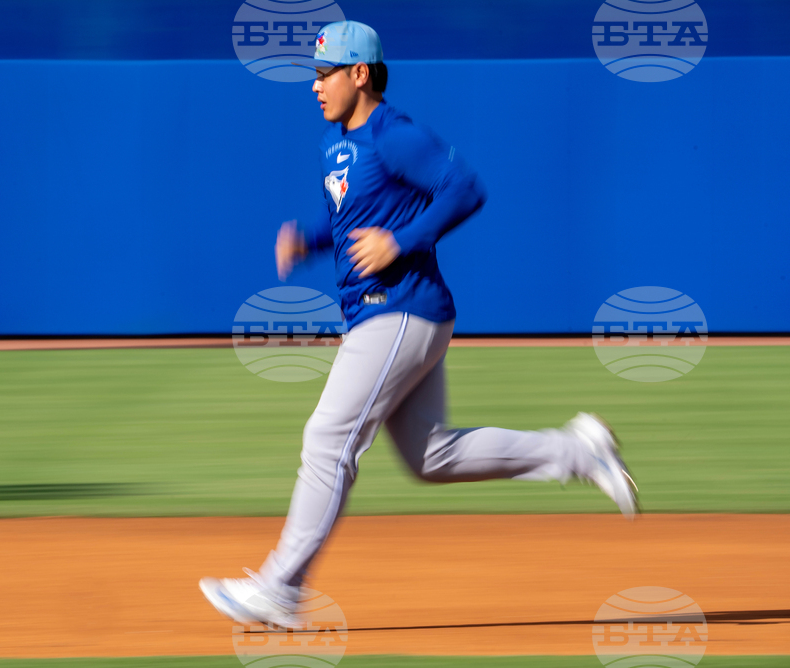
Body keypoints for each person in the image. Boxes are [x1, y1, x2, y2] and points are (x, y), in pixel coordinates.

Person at [200, 20, 637, 630]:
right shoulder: (336, 143)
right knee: (432, 456)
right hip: (390, 314)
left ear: (360, 74)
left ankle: (281, 588)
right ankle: (577, 450)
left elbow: (465, 188)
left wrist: (401, 241)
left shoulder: (394, 134)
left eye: (325, 73)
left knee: (327, 439)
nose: (315, 85)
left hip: (399, 309)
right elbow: (352, 217)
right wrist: (309, 240)